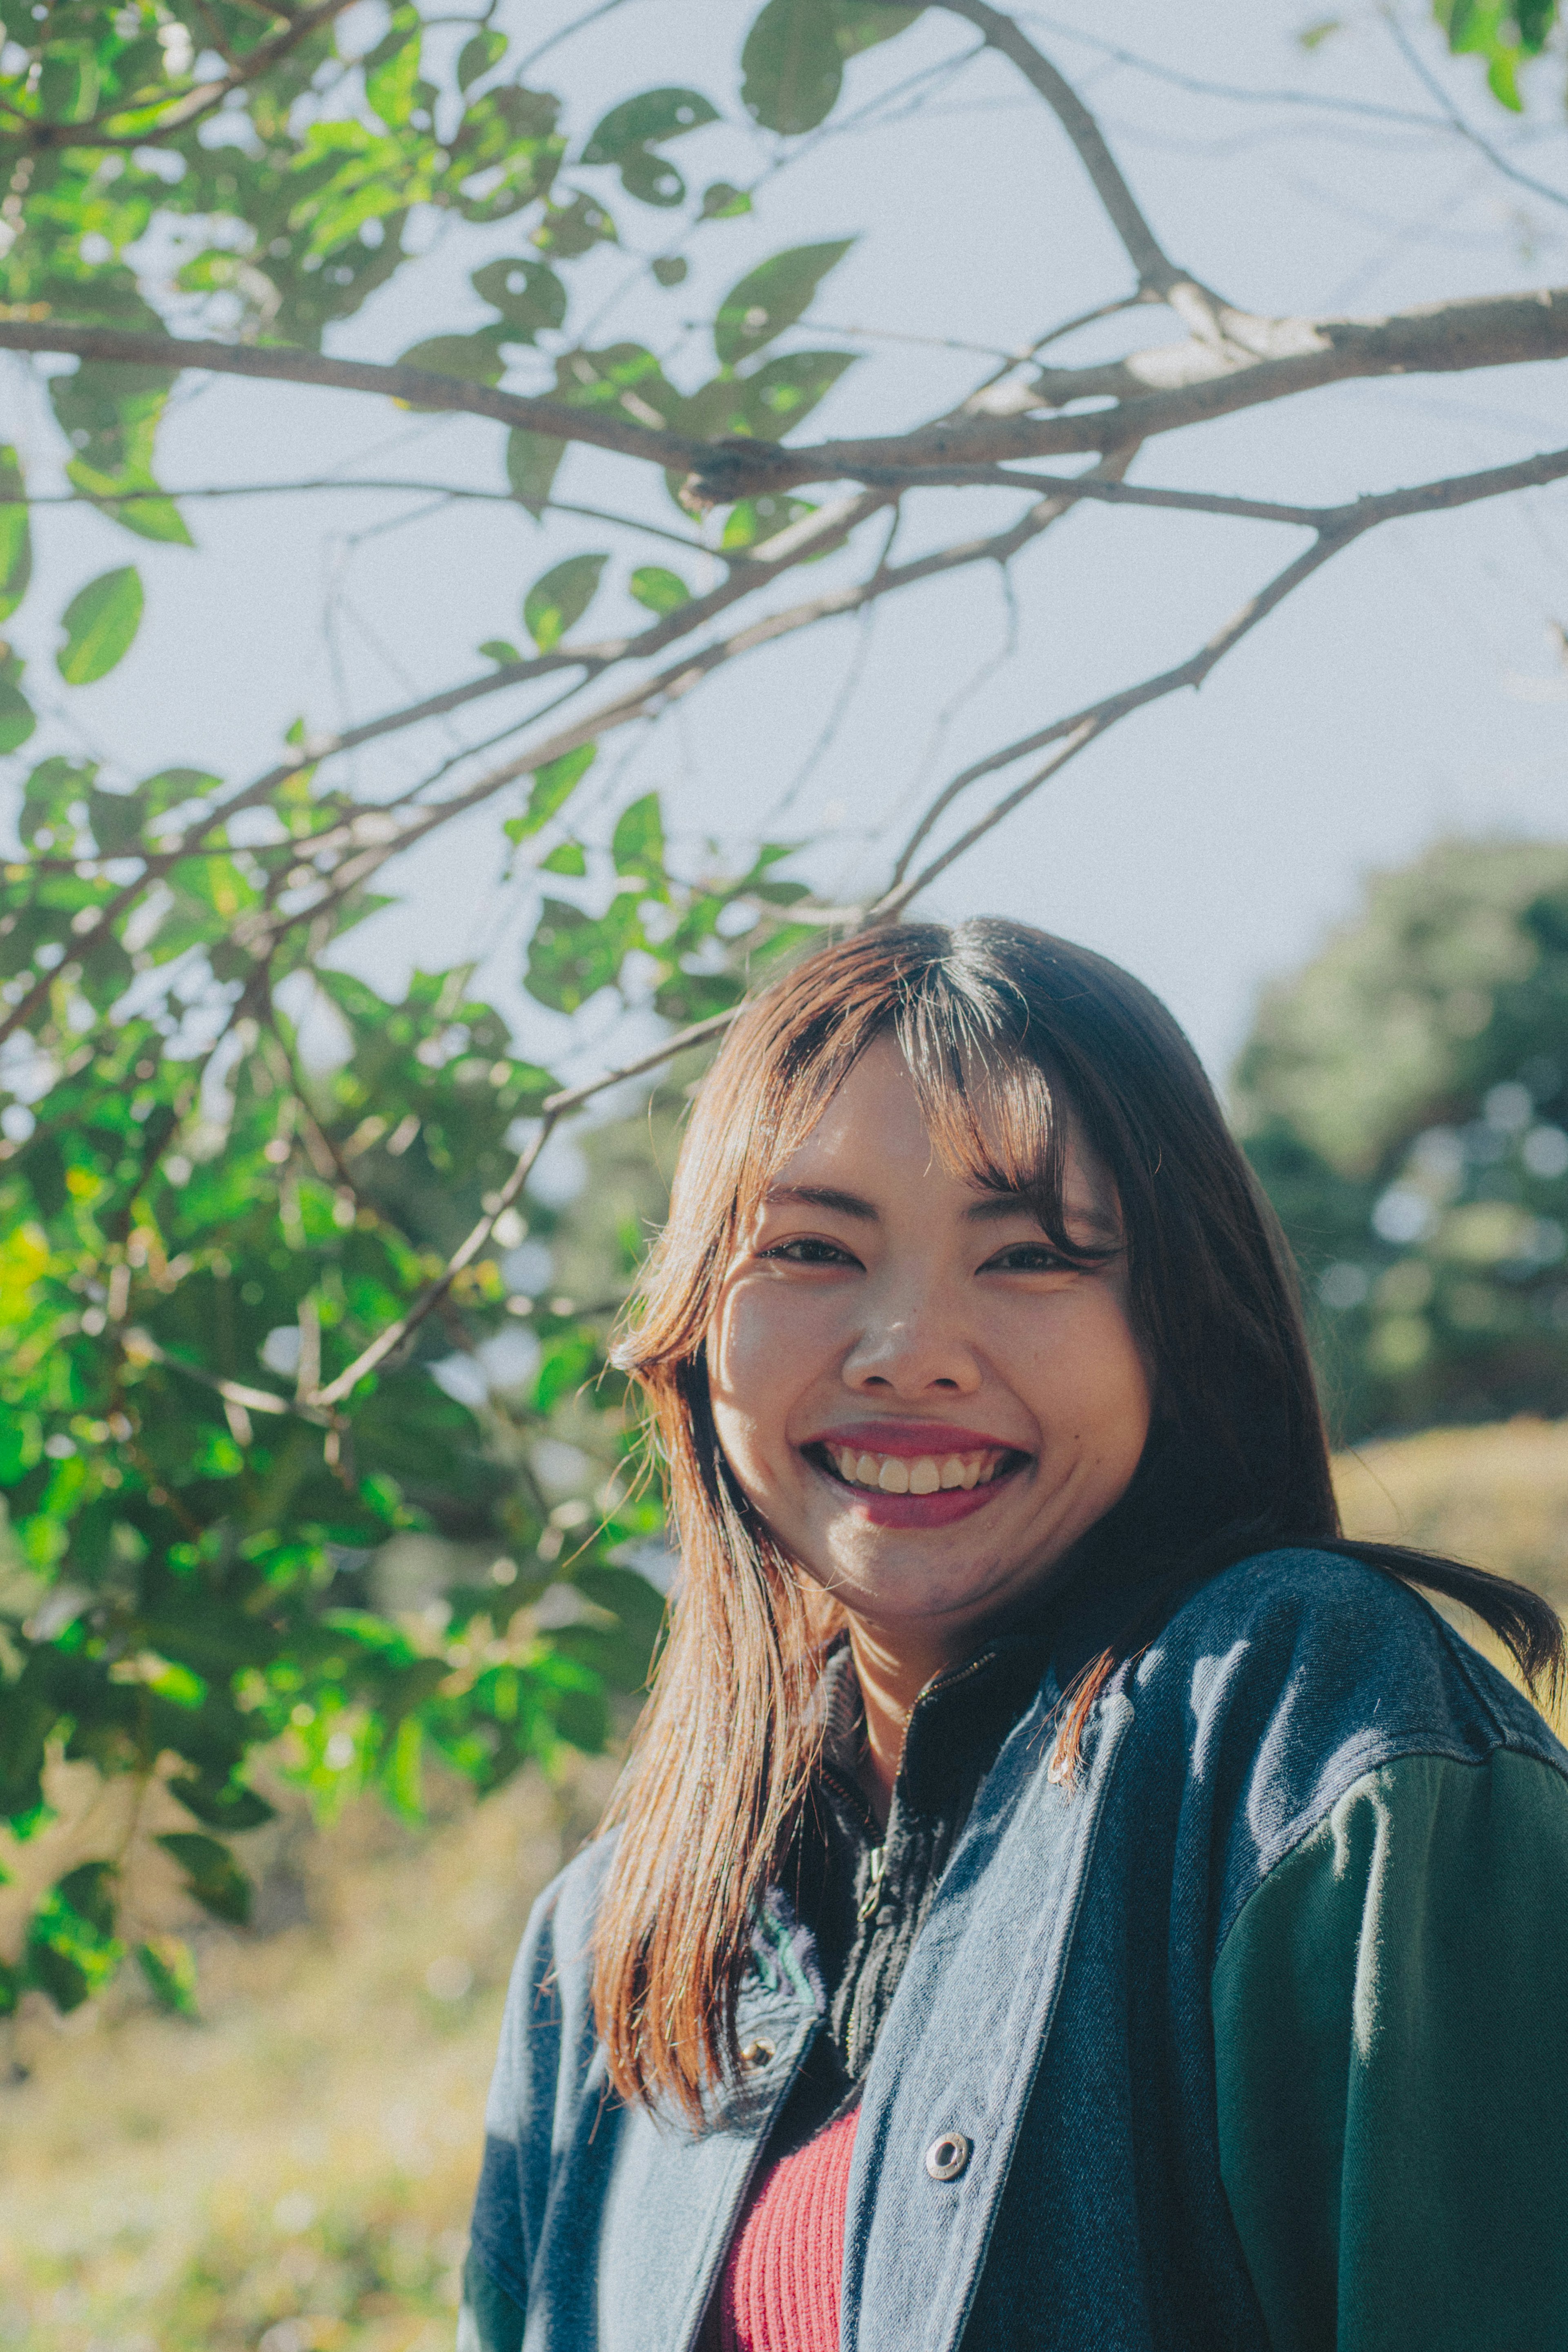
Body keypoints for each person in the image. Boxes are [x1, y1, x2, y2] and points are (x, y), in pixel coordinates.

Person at [458, 919, 1568, 2352]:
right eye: (809, 1248)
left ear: (1180, 1325)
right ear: (692, 1329)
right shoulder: (610, 1942)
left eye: (1033, 1254)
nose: (907, 1347)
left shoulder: (1317, 1736)